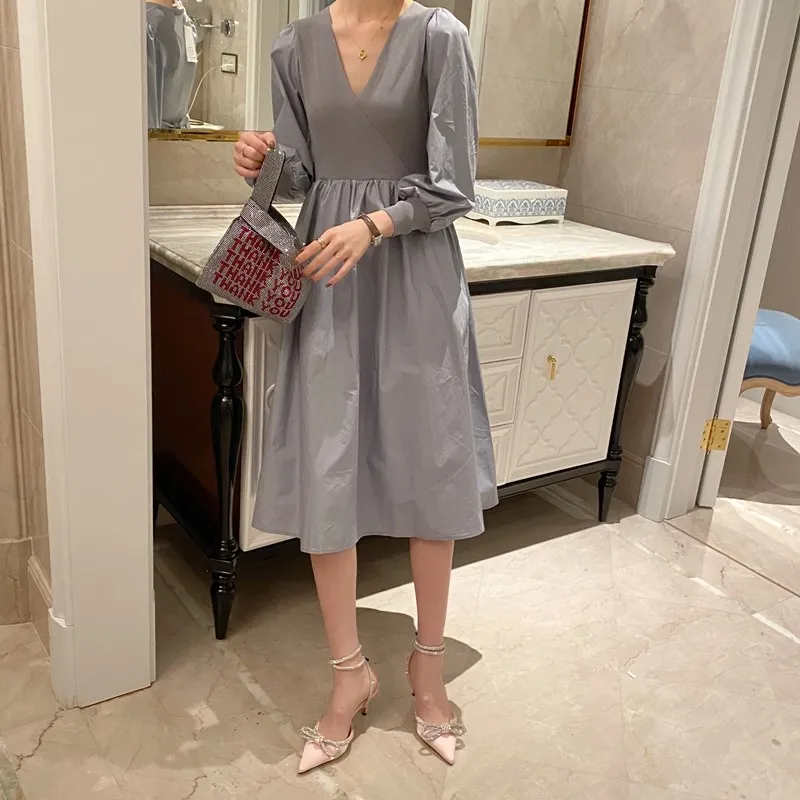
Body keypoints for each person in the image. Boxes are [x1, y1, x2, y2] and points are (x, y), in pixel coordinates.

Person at [232, 0, 497, 774]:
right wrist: (262, 158)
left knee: (431, 460)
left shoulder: (439, 36)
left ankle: (427, 667)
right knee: (329, 463)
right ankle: (349, 675)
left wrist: (375, 224)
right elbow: (302, 172)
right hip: (331, 275)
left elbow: (454, 184)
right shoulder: (295, 45)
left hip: (414, 272)